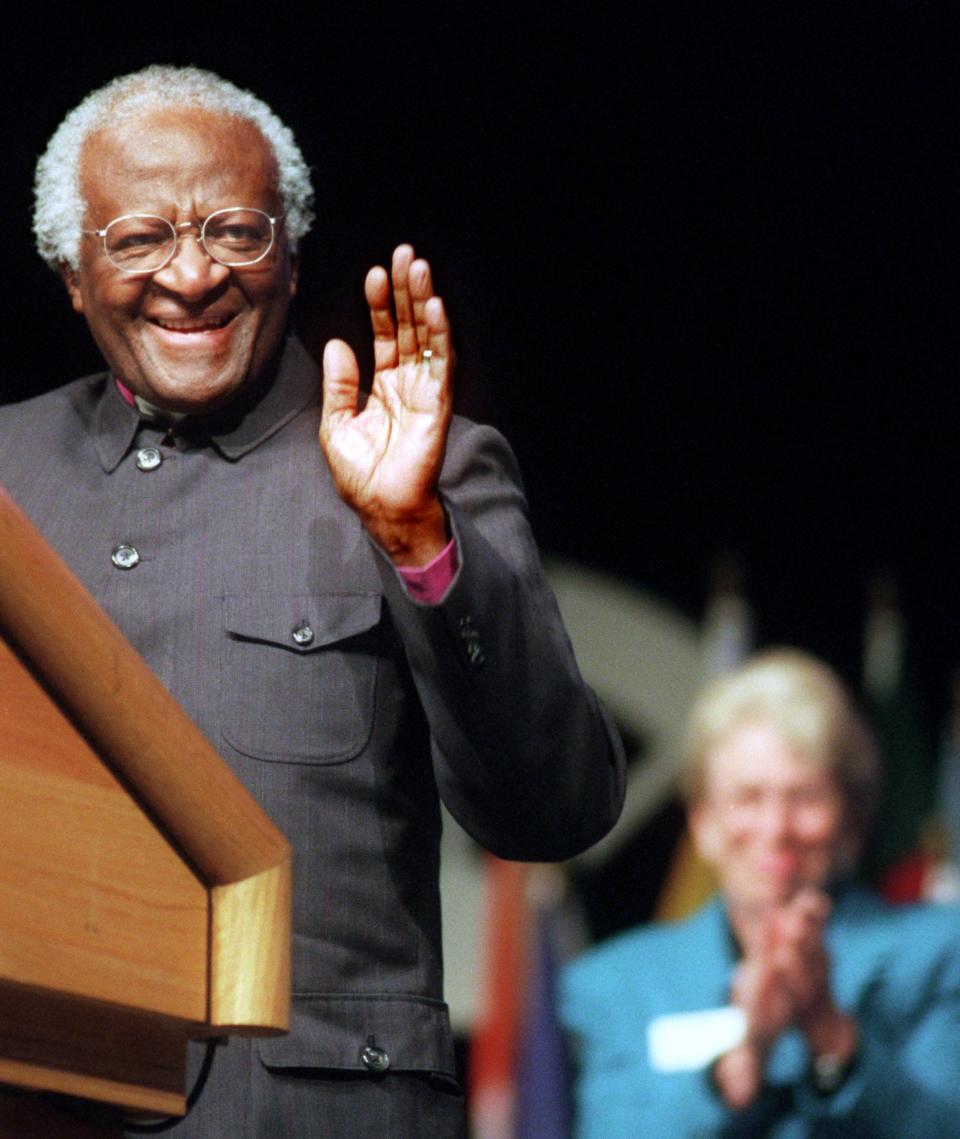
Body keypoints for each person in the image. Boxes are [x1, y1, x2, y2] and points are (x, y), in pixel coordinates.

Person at [0, 66, 626, 1137]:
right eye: (140, 238)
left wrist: (418, 541)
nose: (191, 276)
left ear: (289, 247)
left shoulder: (425, 471)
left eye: (234, 230)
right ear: (72, 270)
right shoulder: (9, 467)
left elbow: (558, 805)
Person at [561, 649, 960, 1137]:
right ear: (703, 822)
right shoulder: (616, 983)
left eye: (805, 797)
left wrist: (831, 1033)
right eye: (749, 798)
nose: (775, 828)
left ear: (850, 819)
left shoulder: (939, 953)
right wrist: (737, 1068)